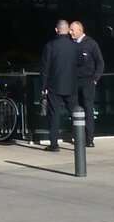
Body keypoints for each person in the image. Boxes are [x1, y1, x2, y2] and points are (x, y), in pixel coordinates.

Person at [39, 19, 78, 152]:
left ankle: (54, 144)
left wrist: (43, 86)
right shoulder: (74, 46)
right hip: (71, 85)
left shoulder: (50, 46)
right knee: (75, 114)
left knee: (54, 115)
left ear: (56, 30)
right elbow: (80, 63)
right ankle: (79, 140)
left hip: (54, 86)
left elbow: (45, 68)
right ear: (67, 30)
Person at [69, 21, 105, 147]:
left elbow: (100, 62)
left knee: (88, 109)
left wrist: (95, 79)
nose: (70, 32)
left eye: (72, 30)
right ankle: (78, 136)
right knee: (74, 109)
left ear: (80, 30)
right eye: (69, 30)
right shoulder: (70, 45)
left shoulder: (91, 44)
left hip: (87, 81)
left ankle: (89, 138)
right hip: (73, 82)